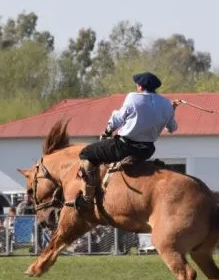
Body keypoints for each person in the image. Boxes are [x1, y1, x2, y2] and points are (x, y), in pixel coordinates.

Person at [76, 72, 178, 207]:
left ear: (140, 86)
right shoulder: (166, 104)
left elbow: (118, 119)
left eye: (137, 84)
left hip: (124, 148)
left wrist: (107, 131)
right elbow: (172, 128)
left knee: (86, 153)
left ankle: (87, 198)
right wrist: (171, 110)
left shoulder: (133, 97)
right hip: (146, 151)